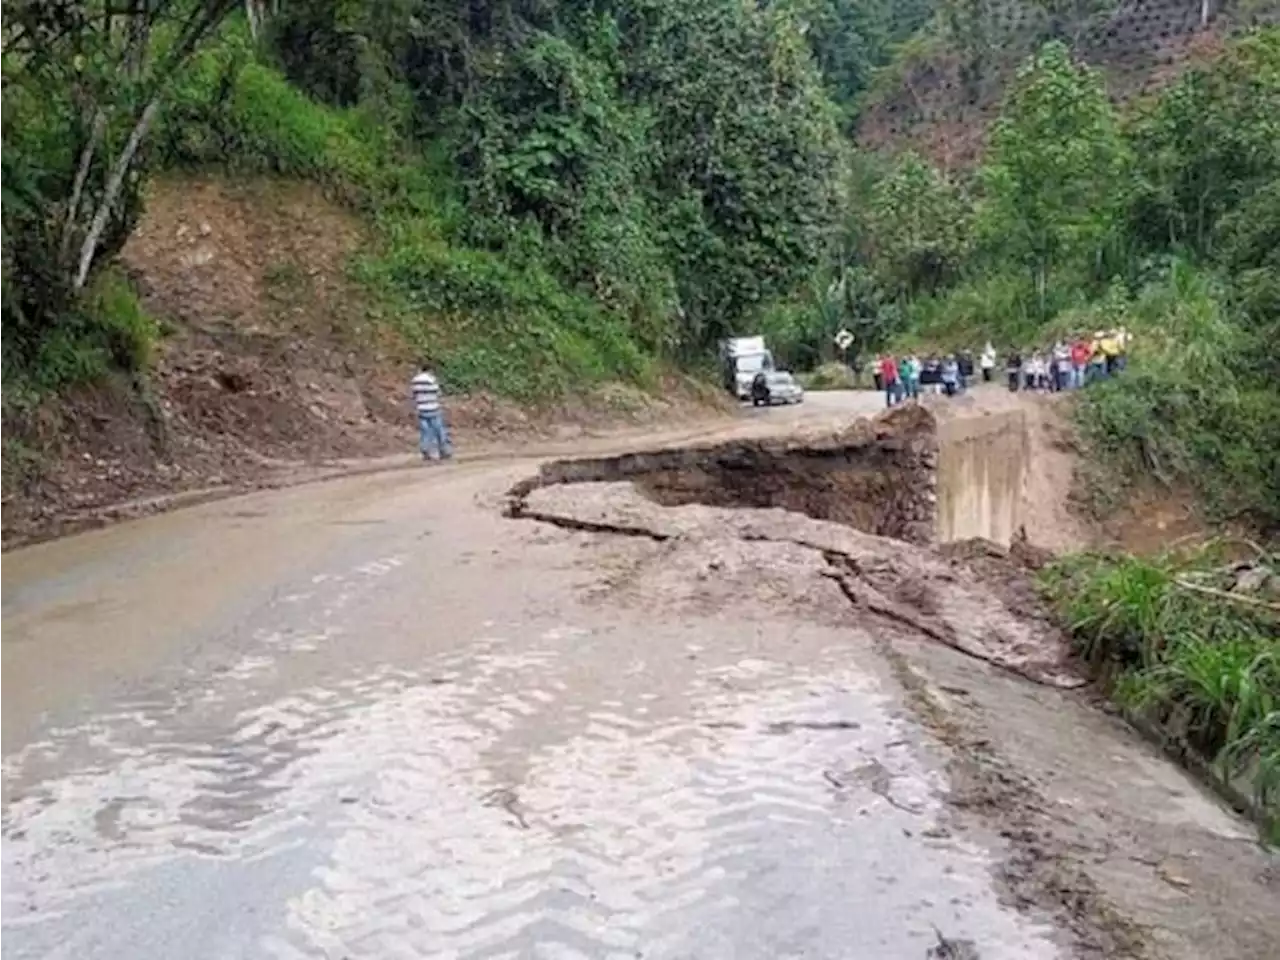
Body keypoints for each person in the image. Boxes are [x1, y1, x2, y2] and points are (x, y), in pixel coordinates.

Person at [411, 362, 452, 461]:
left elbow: (413, 394)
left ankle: (425, 450)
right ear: (430, 370)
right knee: (439, 429)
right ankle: (444, 450)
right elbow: (437, 392)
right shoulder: (431, 380)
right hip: (433, 407)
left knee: (425, 431)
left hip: (421, 408)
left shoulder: (415, 380)